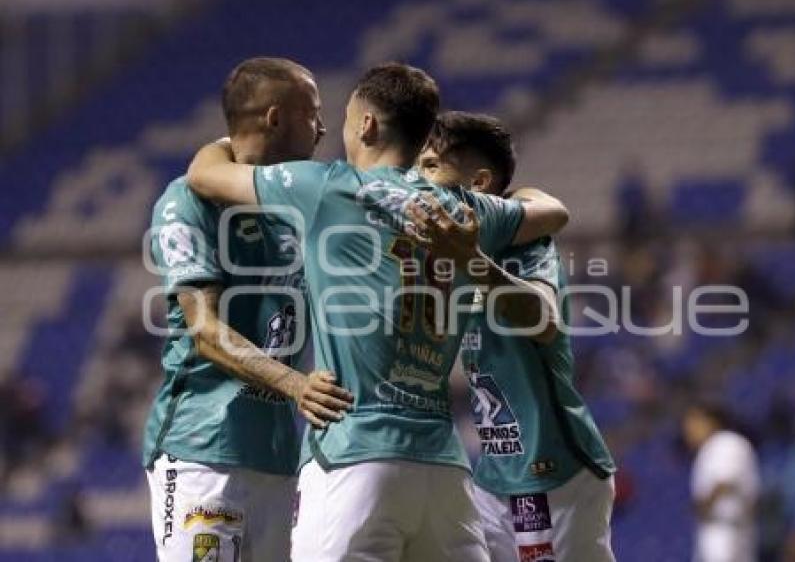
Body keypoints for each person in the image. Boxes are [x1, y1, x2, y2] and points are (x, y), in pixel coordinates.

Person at [185, 62, 569, 561]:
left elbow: (205, 175)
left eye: (344, 117)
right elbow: (553, 212)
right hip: (443, 472)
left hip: (355, 455)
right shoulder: (463, 210)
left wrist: (227, 132)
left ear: (366, 125)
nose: (333, 130)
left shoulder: (325, 188)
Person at [143, 57, 352, 562]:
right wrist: (295, 385)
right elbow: (204, 331)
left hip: (281, 457)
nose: (323, 127)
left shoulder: (299, 202)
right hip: (203, 450)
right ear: (276, 118)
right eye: (313, 113)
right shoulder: (188, 201)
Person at [417, 111, 617, 562]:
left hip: (551, 469)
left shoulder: (527, 244)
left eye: (431, 165)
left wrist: (474, 262)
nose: (419, 176)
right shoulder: (444, 253)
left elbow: (544, 318)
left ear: (481, 182)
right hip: (492, 473)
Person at [682, 400, 760, 562]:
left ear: (709, 421)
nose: (688, 429)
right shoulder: (713, 447)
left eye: (693, 422)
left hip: (725, 529)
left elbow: (724, 481)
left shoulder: (725, 442)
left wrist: (703, 506)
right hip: (727, 529)